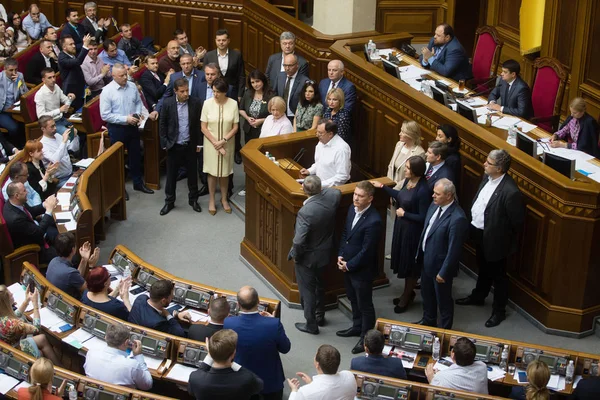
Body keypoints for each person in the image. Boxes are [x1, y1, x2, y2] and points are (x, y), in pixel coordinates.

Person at [456, 150, 524, 328]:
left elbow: (516, 222)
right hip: (479, 233)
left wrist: (500, 237)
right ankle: (479, 296)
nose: (484, 165)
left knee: (498, 276)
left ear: (500, 168)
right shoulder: (486, 178)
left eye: (488, 163)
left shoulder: (510, 192)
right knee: (483, 267)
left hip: (496, 241)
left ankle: (498, 310)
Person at [371, 156, 431, 313]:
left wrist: (405, 214)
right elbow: (400, 196)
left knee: (410, 265)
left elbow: (424, 217)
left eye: (408, 168)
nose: (405, 170)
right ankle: (407, 292)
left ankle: (407, 296)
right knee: (403, 261)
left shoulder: (424, 190)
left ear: (416, 171)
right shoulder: (408, 182)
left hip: (412, 232)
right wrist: (383, 187)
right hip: (402, 228)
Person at [288, 175, 341, 334]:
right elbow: (336, 192)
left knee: (307, 291)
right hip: (325, 253)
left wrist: (296, 255)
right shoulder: (333, 197)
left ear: (304, 190)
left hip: (307, 258)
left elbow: (298, 241)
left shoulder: (306, 211)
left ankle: (311, 324)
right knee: (319, 285)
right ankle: (320, 315)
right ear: (321, 188)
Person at [336, 181, 382, 354]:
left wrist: (349, 265)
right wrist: (341, 255)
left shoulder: (374, 220)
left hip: (361, 270)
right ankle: (356, 326)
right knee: (352, 297)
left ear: (370, 198)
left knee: (365, 304)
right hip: (347, 264)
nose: (355, 198)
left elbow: (367, 250)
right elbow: (346, 235)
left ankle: (365, 336)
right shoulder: (351, 209)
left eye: (360, 196)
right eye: (355, 194)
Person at [416, 179, 468, 329]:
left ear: (449, 195)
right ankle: (428, 320)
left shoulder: (457, 218)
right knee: (427, 295)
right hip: (426, 260)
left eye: (437, 194)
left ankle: (444, 331)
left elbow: (454, 250)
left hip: (440, 268)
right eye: (434, 192)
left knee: (443, 300)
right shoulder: (434, 206)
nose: (433, 196)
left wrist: (444, 272)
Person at [224, 286, 291, 400]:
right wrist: (272, 321)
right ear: (258, 302)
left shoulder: (229, 323)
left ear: (239, 305)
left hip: (241, 382)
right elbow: (285, 348)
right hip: (270, 383)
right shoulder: (273, 324)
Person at [100, 63, 154, 194]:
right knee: (118, 160)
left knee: (135, 156)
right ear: (113, 76)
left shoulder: (132, 86)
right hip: (117, 128)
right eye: (121, 75)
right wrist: (125, 119)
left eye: (125, 74)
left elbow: (137, 102)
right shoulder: (107, 91)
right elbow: (105, 115)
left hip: (132, 126)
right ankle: (119, 188)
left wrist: (136, 114)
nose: (125, 77)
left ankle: (138, 183)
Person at [159, 78, 202, 215]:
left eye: (187, 90)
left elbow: (198, 125)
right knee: (171, 176)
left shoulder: (195, 102)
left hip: (190, 144)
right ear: (175, 91)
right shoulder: (167, 103)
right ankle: (169, 202)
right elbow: (162, 124)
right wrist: (165, 142)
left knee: (192, 174)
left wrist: (199, 143)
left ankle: (193, 199)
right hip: (174, 145)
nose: (185, 94)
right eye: (182, 91)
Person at [188, 329, 263, 400]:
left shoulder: (195, 378)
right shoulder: (246, 378)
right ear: (233, 354)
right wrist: (232, 363)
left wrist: (210, 355)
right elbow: (260, 385)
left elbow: (191, 392)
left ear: (210, 352)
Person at [201, 77, 239, 215]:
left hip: (227, 143)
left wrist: (223, 141)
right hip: (210, 143)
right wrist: (215, 143)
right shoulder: (207, 103)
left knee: (224, 173)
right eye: (213, 91)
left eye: (218, 92)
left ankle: (224, 199)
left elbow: (235, 127)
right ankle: (211, 199)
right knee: (212, 172)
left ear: (225, 92)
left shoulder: (233, 104)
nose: (215, 94)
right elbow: (203, 127)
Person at [0, 285, 60, 365]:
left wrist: (26, 300)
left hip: (8, 347)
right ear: (6, 302)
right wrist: (35, 305)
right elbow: (36, 329)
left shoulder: (3, 317)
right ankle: (59, 368)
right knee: (41, 339)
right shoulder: (13, 325)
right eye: (10, 294)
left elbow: (14, 315)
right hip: (16, 351)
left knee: (42, 338)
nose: (12, 294)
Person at [84, 323, 153, 390]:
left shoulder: (91, 353)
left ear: (105, 337)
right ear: (126, 342)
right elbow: (147, 385)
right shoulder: (132, 365)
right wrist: (138, 355)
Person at [3, 182, 58, 263]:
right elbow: (39, 233)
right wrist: (49, 210)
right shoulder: (16, 220)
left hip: (34, 231)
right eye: (24, 191)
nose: (27, 192)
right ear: (17, 196)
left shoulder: (14, 202)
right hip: (34, 249)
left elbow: (30, 211)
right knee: (65, 254)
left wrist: (45, 205)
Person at [287, 344, 356, 400]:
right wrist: (312, 384)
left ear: (317, 364)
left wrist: (294, 390)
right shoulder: (349, 376)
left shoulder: (305, 392)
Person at [46, 233, 99, 299]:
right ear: (73, 249)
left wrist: (84, 259)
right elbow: (90, 291)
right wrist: (91, 266)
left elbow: (76, 278)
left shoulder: (53, 261)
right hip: (73, 304)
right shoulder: (70, 273)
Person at [300, 120, 351, 188]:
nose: (317, 135)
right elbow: (319, 163)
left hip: (333, 190)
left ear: (330, 134)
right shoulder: (321, 142)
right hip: (319, 185)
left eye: (320, 133)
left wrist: (321, 184)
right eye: (317, 132)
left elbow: (342, 176)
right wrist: (309, 170)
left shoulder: (341, 149)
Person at [203, 29, 246, 101]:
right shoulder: (208, 56)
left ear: (228, 40)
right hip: (214, 93)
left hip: (232, 92)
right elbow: (204, 75)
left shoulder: (236, 55)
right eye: (218, 40)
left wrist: (240, 94)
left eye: (223, 40)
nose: (221, 43)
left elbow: (241, 76)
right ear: (215, 40)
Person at [38, 115, 79, 188]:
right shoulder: (42, 145)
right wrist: (64, 141)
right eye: (52, 127)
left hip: (71, 173)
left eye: (55, 125)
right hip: (60, 180)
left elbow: (74, 149)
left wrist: (74, 136)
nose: (55, 128)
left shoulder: (57, 136)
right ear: (43, 129)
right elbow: (55, 160)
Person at [35, 69, 77, 135]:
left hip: (61, 119)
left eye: (54, 76)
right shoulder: (40, 94)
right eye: (49, 78)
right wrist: (59, 110)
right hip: (51, 124)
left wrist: (70, 98)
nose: (53, 80)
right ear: (43, 80)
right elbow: (41, 116)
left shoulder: (56, 86)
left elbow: (65, 101)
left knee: (76, 132)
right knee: (71, 135)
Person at [58, 33, 92, 112]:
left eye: (74, 43)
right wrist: (85, 45)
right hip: (72, 92)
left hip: (80, 88)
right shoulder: (62, 58)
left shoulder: (71, 53)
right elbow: (78, 62)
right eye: (71, 44)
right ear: (64, 47)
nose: (74, 46)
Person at [387, 121, 426, 190]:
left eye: (403, 132)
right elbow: (391, 166)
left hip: (403, 189)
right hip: (390, 185)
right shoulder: (399, 144)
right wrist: (388, 184)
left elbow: (412, 177)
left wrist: (396, 189)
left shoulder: (419, 153)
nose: (399, 134)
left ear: (410, 135)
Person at [239, 69, 274, 143]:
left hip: (264, 130)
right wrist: (247, 118)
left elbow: (275, 115)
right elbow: (241, 109)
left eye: (257, 81)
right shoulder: (248, 93)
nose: (255, 84)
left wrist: (261, 121)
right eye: (252, 82)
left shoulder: (271, 95)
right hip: (249, 130)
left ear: (263, 81)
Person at [273, 53, 309, 123]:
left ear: (297, 65)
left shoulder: (304, 81)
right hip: (280, 115)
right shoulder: (280, 76)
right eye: (285, 65)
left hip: (295, 117)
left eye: (290, 65)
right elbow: (275, 94)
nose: (287, 68)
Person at [0, 58, 28, 145]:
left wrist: (19, 83)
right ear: (5, 69)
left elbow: (26, 94)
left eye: (16, 70)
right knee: (14, 128)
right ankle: (13, 146)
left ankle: (25, 144)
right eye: (11, 70)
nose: (14, 73)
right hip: (2, 111)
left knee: (27, 122)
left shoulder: (19, 76)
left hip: (15, 109)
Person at [435, 124, 461, 189]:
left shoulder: (453, 159)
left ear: (449, 139)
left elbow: (449, 182)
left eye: (440, 136)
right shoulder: (440, 151)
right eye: (437, 135)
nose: (436, 138)